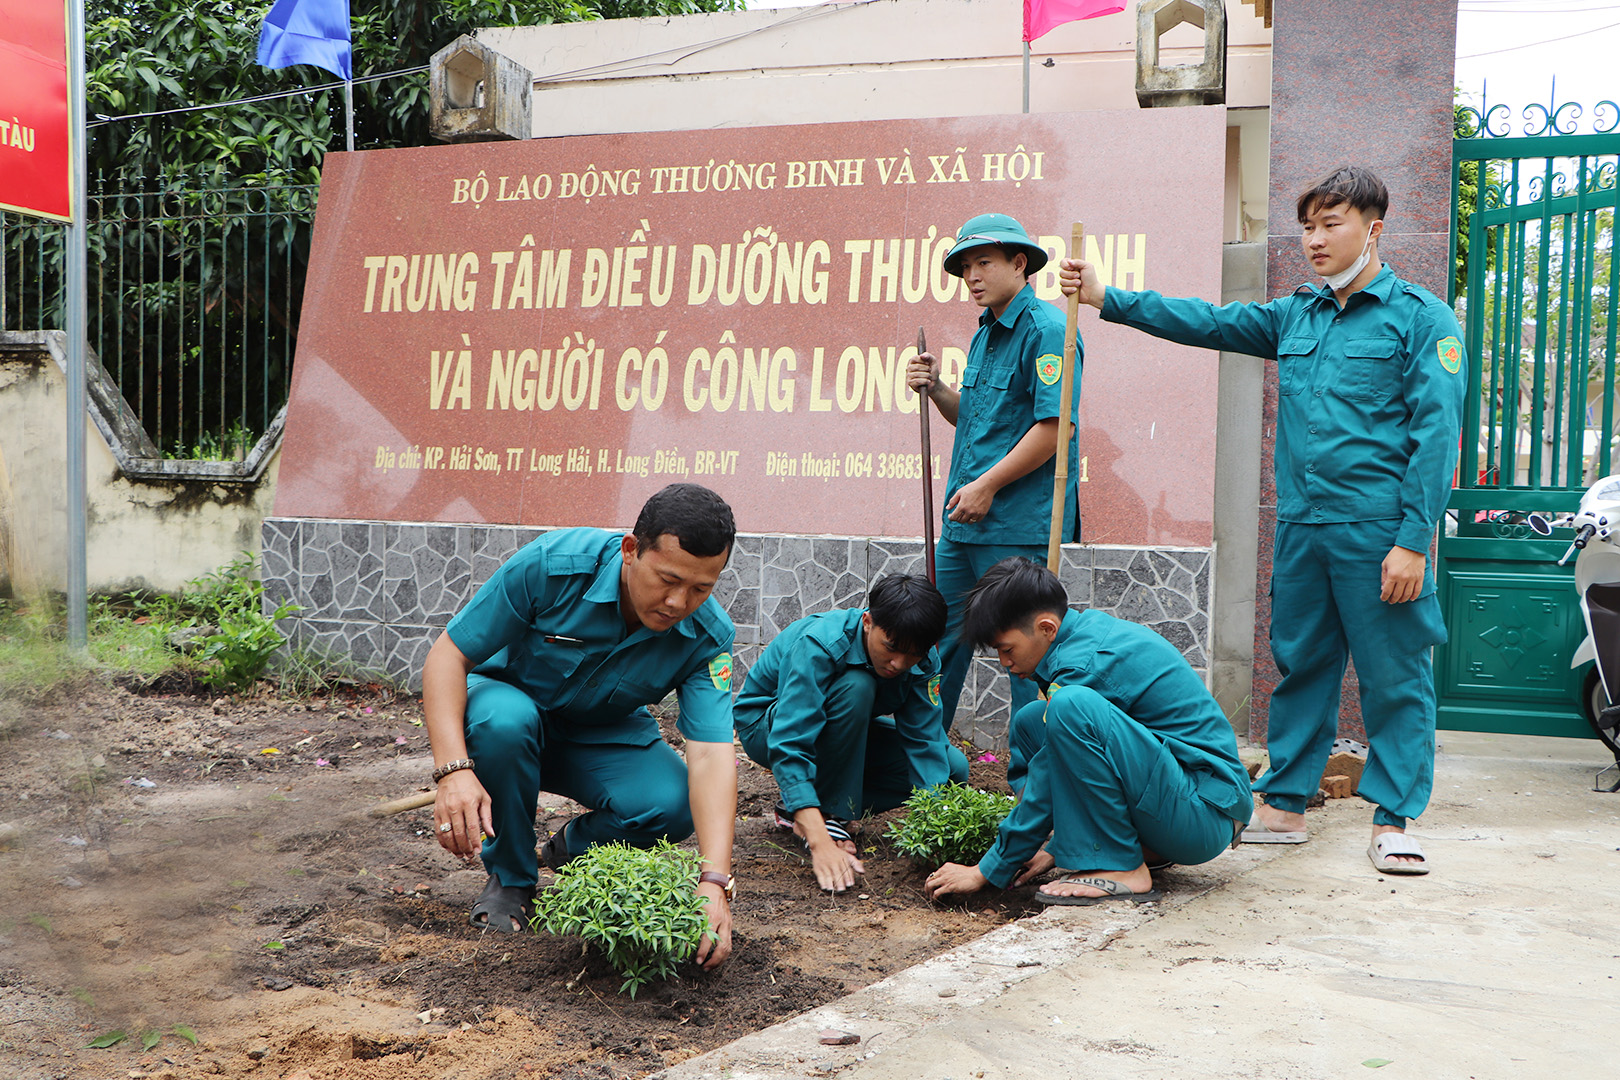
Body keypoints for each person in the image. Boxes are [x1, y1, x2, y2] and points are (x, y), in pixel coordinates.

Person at [1058, 165, 1466, 875]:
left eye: (1330, 223)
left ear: (1373, 228)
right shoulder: (1296, 315)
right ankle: (1284, 799)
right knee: (1302, 664)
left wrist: (1412, 542)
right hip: (1303, 528)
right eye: (1307, 225)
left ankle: (1395, 814)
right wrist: (1108, 299)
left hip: (1378, 532)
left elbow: (1437, 437)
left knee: (1393, 673)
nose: (1314, 239)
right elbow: (1211, 323)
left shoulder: (1421, 319)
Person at [423, 483, 738, 968]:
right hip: (507, 716)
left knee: (673, 803)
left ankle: (570, 849)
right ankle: (511, 879)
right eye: (668, 579)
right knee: (504, 723)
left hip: (599, 732)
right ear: (631, 550)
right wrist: (453, 771)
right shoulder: (552, 565)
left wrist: (714, 881)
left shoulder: (707, 636)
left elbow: (712, 756)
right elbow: (449, 654)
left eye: (701, 588)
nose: (678, 602)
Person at [923, 558, 1251, 904]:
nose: (1004, 662)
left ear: (1047, 628)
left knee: (1068, 708)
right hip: (1186, 801)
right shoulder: (1082, 635)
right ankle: (1123, 847)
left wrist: (987, 868)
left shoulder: (1083, 665)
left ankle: (1121, 866)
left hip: (1202, 816)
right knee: (1033, 721)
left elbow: (1049, 775)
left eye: (1007, 649)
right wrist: (1051, 846)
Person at [905, 213, 1083, 737]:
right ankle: (923, 768)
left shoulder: (1048, 331)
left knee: (1024, 653)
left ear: (1019, 263)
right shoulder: (985, 334)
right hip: (965, 521)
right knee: (937, 642)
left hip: (1015, 524)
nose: (973, 276)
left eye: (984, 262)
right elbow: (978, 419)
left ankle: (1030, 781)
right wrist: (937, 389)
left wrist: (988, 485)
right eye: (965, 267)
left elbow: (1055, 430)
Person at [734, 574, 970, 892]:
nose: (899, 663)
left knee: (952, 767)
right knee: (857, 686)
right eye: (891, 648)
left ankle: (802, 806)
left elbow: (924, 740)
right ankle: (824, 816)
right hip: (768, 726)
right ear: (869, 621)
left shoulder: (923, 659)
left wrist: (935, 828)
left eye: (912, 654)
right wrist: (819, 841)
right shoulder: (819, 643)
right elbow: (790, 740)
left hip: (838, 729)